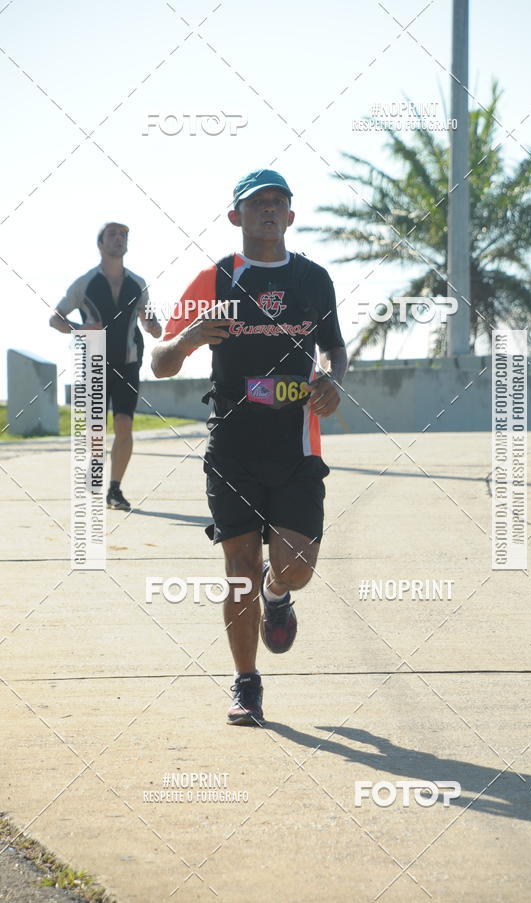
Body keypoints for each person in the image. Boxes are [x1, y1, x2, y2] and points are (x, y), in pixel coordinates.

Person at [152, 170, 347, 726]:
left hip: (296, 447)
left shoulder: (313, 279)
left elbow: (334, 349)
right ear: (235, 216)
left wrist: (333, 380)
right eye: (256, 202)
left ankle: (279, 593)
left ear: (290, 216)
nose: (268, 208)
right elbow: (161, 364)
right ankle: (246, 683)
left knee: (297, 566)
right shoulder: (214, 279)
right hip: (233, 447)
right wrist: (189, 339)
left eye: (278, 201)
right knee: (238, 567)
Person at [50, 222, 162, 510]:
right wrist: (80, 328)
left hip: (128, 364)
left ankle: (115, 490)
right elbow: (55, 319)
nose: (119, 238)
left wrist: (152, 326)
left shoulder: (138, 283)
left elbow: (150, 320)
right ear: (100, 244)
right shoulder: (84, 283)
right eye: (112, 234)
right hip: (94, 363)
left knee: (124, 424)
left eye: (123, 235)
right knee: (95, 430)